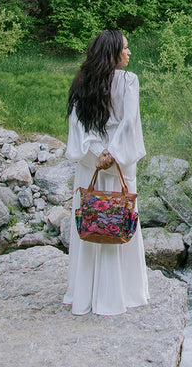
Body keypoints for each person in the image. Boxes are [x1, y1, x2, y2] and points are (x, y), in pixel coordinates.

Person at [62, 30, 149, 315]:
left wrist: (97, 153)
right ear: (113, 53)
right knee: (117, 222)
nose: (129, 53)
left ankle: (85, 296)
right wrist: (113, 153)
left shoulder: (81, 83)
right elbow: (129, 123)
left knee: (92, 222)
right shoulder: (128, 81)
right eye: (125, 48)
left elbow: (79, 127)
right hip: (119, 163)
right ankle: (117, 296)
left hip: (92, 165)